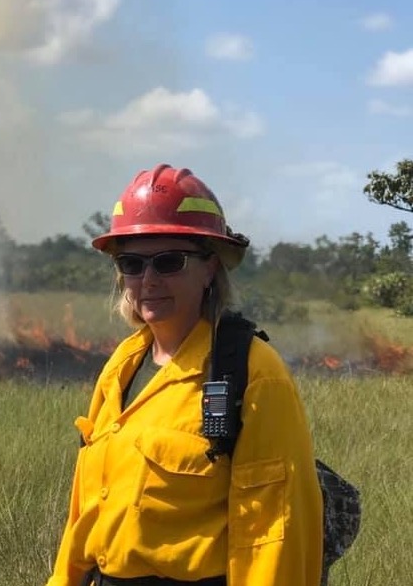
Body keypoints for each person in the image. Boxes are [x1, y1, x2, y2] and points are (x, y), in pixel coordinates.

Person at [45, 165, 323, 586]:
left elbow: (272, 533)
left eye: (169, 261)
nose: (149, 280)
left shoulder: (253, 373)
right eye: (132, 263)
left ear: (210, 267)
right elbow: (83, 514)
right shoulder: (123, 365)